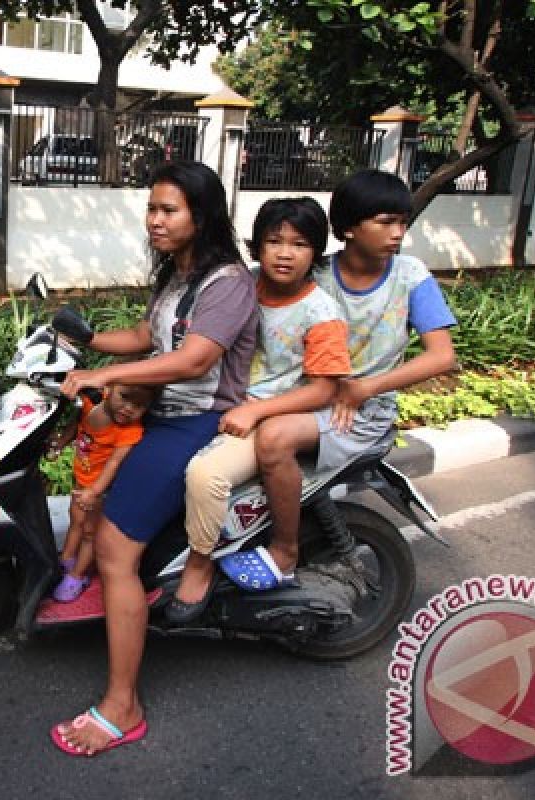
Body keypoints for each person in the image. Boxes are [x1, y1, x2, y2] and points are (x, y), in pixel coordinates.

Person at [50, 161, 258, 756]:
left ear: (202, 214)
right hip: (162, 415)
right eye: (152, 209)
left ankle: (123, 705)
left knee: (114, 548)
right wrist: (83, 344)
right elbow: (150, 335)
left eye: (169, 210)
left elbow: (192, 360)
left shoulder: (227, 282)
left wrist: (106, 373)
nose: (155, 220)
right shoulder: (178, 275)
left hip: (194, 421)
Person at [221, 169, 456, 593]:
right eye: (385, 222)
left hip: (361, 409)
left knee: (273, 438)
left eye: (401, 222)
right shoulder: (316, 270)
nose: (397, 233)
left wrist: (366, 387)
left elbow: (442, 356)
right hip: (303, 397)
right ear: (348, 227)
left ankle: (284, 552)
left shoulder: (410, 276)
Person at [166, 197, 350, 619]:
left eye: (300, 244)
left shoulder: (321, 311)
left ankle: (199, 564)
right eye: (274, 241)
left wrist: (256, 412)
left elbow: (323, 388)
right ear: (257, 247)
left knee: (206, 475)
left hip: (271, 415)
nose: (285, 253)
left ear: (316, 253)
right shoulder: (241, 284)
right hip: (220, 402)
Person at [49, 383, 156, 603]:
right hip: (82, 480)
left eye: (139, 405)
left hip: (99, 489)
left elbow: (114, 464)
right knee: (75, 521)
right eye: (124, 397)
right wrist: (60, 443)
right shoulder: (90, 404)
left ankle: (78, 576)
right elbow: (76, 424)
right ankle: (67, 559)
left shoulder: (129, 431)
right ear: (108, 389)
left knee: (90, 532)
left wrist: (95, 491)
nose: (128, 408)